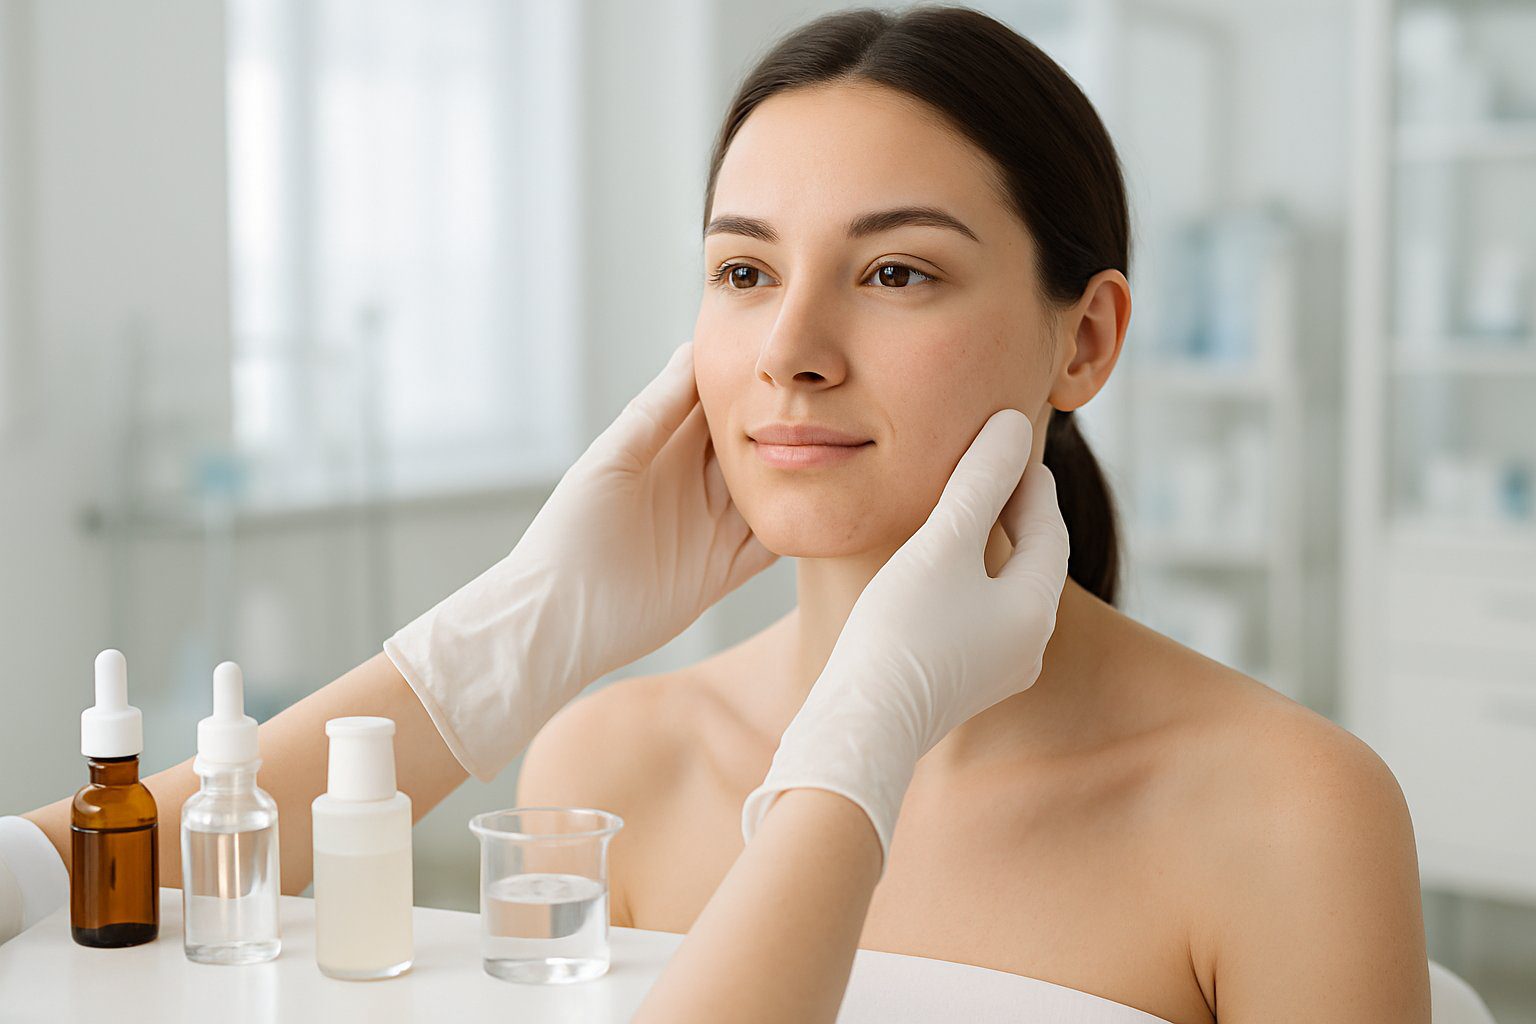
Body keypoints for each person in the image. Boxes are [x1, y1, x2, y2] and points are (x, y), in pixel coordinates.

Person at [513, 7, 1431, 1024]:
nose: (789, 350)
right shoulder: (605, 770)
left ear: (1083, 341)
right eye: (746, 272)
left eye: (896, 272)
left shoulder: (1296, 813)